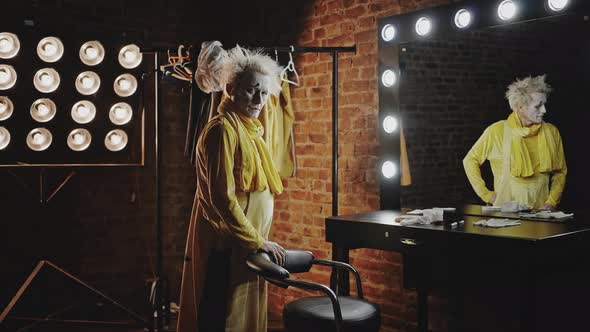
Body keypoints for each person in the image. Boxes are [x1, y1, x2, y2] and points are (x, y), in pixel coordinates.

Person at [177, 44, 286, 332]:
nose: (259, 99)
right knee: (224, 317)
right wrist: (257, 241)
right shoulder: (222, 129)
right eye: (252, 90)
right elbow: (222, 199)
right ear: (232, 88)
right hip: (225, 245)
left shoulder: (251, 129)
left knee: (245, 316)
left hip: (245, 244)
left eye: (264, 92)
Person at [463, 74, 567, 210]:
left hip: (541, 216)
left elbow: (561, 171)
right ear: (520, 107)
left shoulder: (552, 132)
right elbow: (470, 160)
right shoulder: (496, 131)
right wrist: (487, 195)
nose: (544, 110)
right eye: (538, 106)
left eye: (544, 105)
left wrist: (551, 201)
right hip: (505, 217)